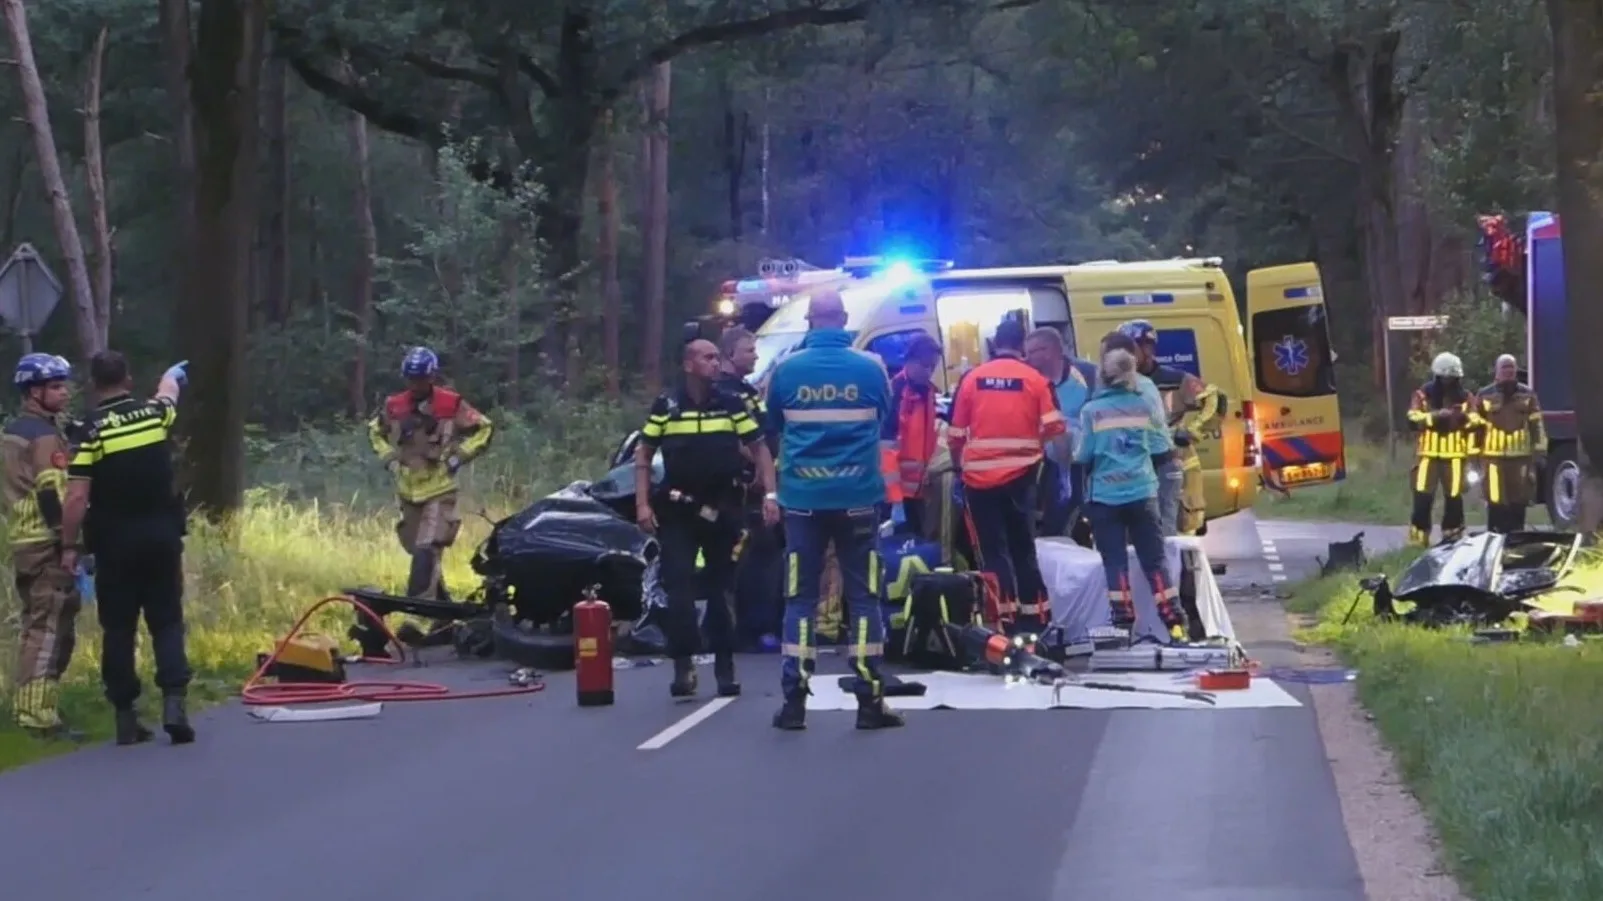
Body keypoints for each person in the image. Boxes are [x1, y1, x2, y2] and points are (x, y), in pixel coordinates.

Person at [766, 290, 903, 731]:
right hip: (858, 499)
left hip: (802, 502)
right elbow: (881, 418)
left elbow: (775, 424)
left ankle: (794, 701)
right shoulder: (871, 369)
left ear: (810, 321)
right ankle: (869, 700)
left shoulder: (786, 371)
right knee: (864, 600)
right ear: (843, 320)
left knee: (800, 600)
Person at [60, 352, 194, 746]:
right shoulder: (154, 416)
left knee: (118, 628)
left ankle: (125, 715)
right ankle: (174, 703)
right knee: (167, 620)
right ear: (129, 381)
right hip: (162, 537)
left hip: (114, 543)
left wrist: (70, 545)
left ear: (92, 385)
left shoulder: (87, 431)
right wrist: (171, 376)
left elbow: (76, 498)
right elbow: (169, 395)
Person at [636, 338, 778, 699]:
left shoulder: (731, 403)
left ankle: (724, 665)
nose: (716, 363)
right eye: (708, 357)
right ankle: (683, 664)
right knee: (678, 587)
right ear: (688, 365)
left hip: (724, 509)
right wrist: (642, 505)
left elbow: (759, 447)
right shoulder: (667, 405)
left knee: (721, 589)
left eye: (718, 357)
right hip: (678, 510)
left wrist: (770, 494)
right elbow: (644, 454)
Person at [949, 317, 1066, 634]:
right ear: (1022, 345)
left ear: (993, 344)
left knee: (992, 551)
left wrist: (960, 467)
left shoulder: (972, 379)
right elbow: (1055, 427)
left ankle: (1001, 621)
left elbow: (956, 433)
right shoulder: (1034, 379)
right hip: (1023, 477)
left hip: (978, 482)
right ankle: (1037, 619)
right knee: (1023, 548)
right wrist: (1033, 447)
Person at [1075, 344, 1189, 640]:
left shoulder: (1091, 412)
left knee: (1115, 562)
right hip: (1142, 493)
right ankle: (1174, 621)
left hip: (1105, 498)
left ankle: (1123, 624)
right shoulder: (1146, 406)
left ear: (1103, 375)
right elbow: (1162, 447)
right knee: (1154, 560)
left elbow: (1082, 455)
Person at [368, 347, 494, 599]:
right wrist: (390, 459)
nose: (416, 385)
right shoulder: (394, 406)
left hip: (440, 490)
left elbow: (484, 428)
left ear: (432, 377)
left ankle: (416, 612)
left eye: (421, 379)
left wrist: (459, 456)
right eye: (411, 379)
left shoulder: (451, 403)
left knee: (428, 548)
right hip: (408, 493)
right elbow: (374, 432)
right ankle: (442, 619)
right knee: (422, 557)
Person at [3, 353, 83, 740]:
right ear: (34, 392)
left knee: (42, 623)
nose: (64, 392)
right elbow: (53, 492)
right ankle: (36, 716)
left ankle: (39, 707)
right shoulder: (43, 435)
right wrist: (69, 542)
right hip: (47, 542)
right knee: (49, 627)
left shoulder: (13, 431)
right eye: (56, 386)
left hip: (23, 540)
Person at [717, 327, 785, 652]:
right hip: (743, 490)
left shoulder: (747, 389)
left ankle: (761, 623)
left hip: (762, 487)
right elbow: (738, 439)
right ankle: (749, 627)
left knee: (765, 554)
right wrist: (761, 468)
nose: (755, 356)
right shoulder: (723, 392)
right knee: (750, 559)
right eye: (749, 350)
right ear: (730, 353)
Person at [1119, 319, 1220, 536]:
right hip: (1135, 465)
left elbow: (1216, 401)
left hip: (1175, 463)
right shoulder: (1118, 384)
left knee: (1176, 528)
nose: (1126, 354)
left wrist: (1193, 431)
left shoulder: (1175, 379)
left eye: (1132, 347)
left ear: (1148, 348)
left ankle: (1181, 568)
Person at [1024, 326, 1097, 540]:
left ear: (1050, 351)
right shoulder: (1028, 377)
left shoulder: (1088, 374)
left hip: (1084, 460)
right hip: (1044, 461)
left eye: (1032, 352)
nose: (1027, 358)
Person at [1406, 352, 1477, 546]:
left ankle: (1452, 537)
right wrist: (1435, 417)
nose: (1448, 382)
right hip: (1427, 455)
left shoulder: (1466, 397)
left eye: (1452, 379)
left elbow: (1477, 420)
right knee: (1422, 496)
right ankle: (1418, 538)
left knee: (1454, 499)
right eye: (1445, 378)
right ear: (1437, 376)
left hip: (1455, 456)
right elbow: (1412, 417)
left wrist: (1464, 420)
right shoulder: (1423, 394)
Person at [1470, 354, 1546, 533]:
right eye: (1504, 368)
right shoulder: (1484, 394)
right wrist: (1473, 456)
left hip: (1521, 459)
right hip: (1492, 459)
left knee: (1518, 501)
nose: (1508, 372)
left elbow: (1537, 424)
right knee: (1495, 500)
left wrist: (1540, 453)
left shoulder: (1527, 394)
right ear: (1496, 372)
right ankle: (1494, 536)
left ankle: (1517, 538)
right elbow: (1475, 428)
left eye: (1511, 368)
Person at [887, 332, 943, 536]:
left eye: (933, 366)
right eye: (924, 365)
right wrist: (894, 498)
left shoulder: (926, 392)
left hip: (917, 491)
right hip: (896, 494)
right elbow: (886, 448)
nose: (928, 371)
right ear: (909, 361)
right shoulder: (896, 393)